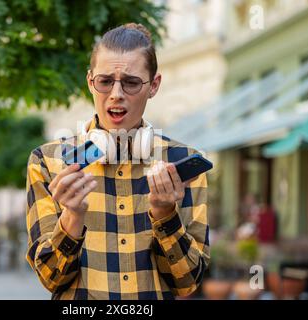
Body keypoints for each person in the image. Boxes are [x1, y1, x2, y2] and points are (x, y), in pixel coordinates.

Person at [26, 23, 210, 300]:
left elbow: (187, 283)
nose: (116, 93)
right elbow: (51, 279)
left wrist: (165, 213)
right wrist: (72, 217)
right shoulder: (48, 162)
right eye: (105, 81)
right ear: (90, 82)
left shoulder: (182, 165)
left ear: (154, 85)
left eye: (131, 82)